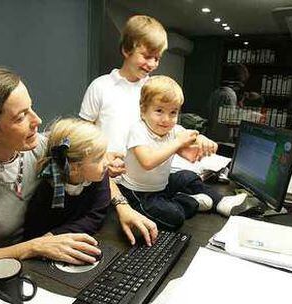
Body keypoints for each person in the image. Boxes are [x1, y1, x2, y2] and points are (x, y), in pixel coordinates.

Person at [0, 66, 156, 277]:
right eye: (21, 117)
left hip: (45, 250)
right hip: (3, 270)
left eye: (31, 107)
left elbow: (92, 170)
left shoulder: (41, 145)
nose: (37, 120)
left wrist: (122, 207)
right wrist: (36, 246)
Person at [80, 15, 218, 167]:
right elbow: (85, 135)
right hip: (107, 174)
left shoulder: (154, 89)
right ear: (127, 50)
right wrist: (102, 158)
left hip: (144, 176)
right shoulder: (100, 86)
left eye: (157, 58)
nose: (152, 64)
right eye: (146, 56)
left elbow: (167, 126)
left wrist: (195, 138)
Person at [118, 76, 249, 229]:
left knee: (188, 176)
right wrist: (178, 143)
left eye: (173, 113)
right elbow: (148, 162)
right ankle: (188, 201)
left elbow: (192, 136)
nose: (166, 119)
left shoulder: (172, 130)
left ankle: (221, 202)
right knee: (173, 217)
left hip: (162, 186)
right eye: (159, 111)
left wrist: (202, 139)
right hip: (138, 192)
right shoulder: (138, 130)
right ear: (143, 110)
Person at [24, 118, 110, 238]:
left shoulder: (100, 178)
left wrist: (57, 234)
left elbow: (96, 215)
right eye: (99, 159)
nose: (106, 163)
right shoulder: (48, 190)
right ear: (74, 168)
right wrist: (51, 237)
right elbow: (35, 232)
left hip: (79, 237)